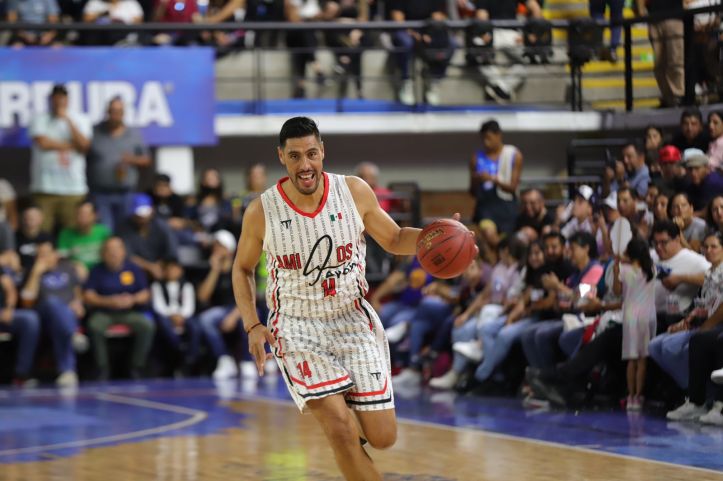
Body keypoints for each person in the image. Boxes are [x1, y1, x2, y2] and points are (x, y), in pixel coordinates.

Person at [231, 117, 474, 480]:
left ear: (322, 151)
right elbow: (241, 268)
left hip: (352, 320)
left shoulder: (353, 191)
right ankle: (336, 414)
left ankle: (340, 406)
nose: (305, 165)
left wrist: (434, 236)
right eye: (294, 156)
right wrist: (252, 324)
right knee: (341, 430)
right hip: (297, 328)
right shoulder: (261, 211)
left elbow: (394, 239)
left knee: (383, 437)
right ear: (281, 157)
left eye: (311, 154)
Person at [664, 232, 723, 423]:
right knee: (695, 341)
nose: (709, 250)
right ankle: (696, 401)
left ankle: (719, 405)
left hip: (717, 325)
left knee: (712, 340)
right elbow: (709, 305)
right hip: (712, 323)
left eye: (714, 246)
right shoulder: (710, 273)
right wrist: (692, 317)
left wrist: (706, 326)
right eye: (706, 246)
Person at [83, 237, 155, 380]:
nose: (113, 253)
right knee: (94, 326)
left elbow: (146, 293)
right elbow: (88, 295)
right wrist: (109, 301)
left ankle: (136, 367)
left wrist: (132, 299)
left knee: (147, 326)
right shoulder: (96, 270)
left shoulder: (133, 269)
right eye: (109, 250)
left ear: (123, 252)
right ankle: (102, 368)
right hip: (104, 312)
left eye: (116, 249)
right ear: (103, 253)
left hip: (129, 312)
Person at [29, 85, 92, 233]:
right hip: (45, 187)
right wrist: (71, 145)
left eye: (62, 98)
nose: (59, 102)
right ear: (51, 100)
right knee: (41, 231)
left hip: (73, 188)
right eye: (55, 98)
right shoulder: (40, 119)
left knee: (71, 232)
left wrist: (68, 120)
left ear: (67, 100)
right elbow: (43, 143)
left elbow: (84, 145)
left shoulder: (81, 119)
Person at [20, 243, 84, 387]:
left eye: (47, 254)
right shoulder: (32, 272)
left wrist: (78, 303)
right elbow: (27, 302)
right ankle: (73, 335)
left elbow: (77, 293)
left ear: (55, 254)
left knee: (62, 318)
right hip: (44, 315)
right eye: (40, 256)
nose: (44, 258)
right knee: (53, 302)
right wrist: (36, 273)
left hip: (67, 314)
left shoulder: (67, 268)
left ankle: (68, 373)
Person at [87, 97, 151, 231]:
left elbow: (146, 159)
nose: (115, 115)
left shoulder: (133, 134)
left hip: (125, 192)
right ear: (107, 112)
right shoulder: (94, 131)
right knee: (105, 230)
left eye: (119, 112)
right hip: (100, 192)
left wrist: (131, 159)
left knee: (125, 230)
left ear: (123, 113)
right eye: (113, 111)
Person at [612, 238, 656, 411]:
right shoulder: (652, 269)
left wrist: (616, 270)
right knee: (643, 359)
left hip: (631, 317)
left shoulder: (624, 270)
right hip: (647, 316)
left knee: (632, 359)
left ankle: (630, 396)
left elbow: (617, 292)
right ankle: (639, 395)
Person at [389, 0, 453, 105]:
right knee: (406, 43)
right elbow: (398, 19)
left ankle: (434, 78)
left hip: (428, 31)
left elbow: (438, 17)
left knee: (452, 43)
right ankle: (406, 81)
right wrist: (415, 34)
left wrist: (430, 32)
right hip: (406, 31)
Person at [470, 120, 523, 234]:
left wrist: (492, 179)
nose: (486, 142)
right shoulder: (476, 158)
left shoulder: (513, 155)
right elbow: (472, 192)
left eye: (489, 138)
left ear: (498, 135)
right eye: (483, 138)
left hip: (507, 206)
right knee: (489, 233)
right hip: (486, 206)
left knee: (506, 240)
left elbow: (513, 187)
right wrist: (476, 180)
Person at [151, 259, 201, 372]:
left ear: (180, 271)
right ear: (164, 271)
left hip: (183, 316)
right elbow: (158, 305)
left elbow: (189, 306)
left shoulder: (187, 285)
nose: (171, 272)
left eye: (174, 269)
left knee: (195, 327)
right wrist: (171, 315)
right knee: (164, 325)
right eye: (168, 269)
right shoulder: (157, 286)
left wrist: (181, 316)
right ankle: (178, 349)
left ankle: (191, 358)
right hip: (166, 316)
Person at [117, 193, 179, 280]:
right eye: (138, 214)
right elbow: (127, 255)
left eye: (144, 213)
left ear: (152, 211)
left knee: (174, 271)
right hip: (134, 270)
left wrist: (159, 266)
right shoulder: (124, 228)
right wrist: (150, 267)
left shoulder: (162, 226)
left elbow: (171, 252)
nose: (141, 217)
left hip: (161, 268)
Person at [0, 261, 41, 387]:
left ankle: (21, 374)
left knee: (29, 319)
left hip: (2, 314)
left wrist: (9, 308)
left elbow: (10, 288)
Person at [636, 0, 683, 108]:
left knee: (676, 60)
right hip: (654, 19)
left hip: (674, 16)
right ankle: (668, 97)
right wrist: (641, 9)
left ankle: (678, 96)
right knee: (659, 64)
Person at [57, 200, 111, 274]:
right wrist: (75, 264)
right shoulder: (66, 234)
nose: (82, 217)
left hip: (100, 271)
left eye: (86, 214)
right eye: (79, 214)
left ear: (95, 216)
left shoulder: (103, 232)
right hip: (76, 272)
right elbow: (62, 259)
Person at [16, 205, 54, 273]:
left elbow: (51, 259)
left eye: (34, 216)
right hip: (19, 272)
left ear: (41, 218)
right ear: (22, 218)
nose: (30, 219)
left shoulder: (47, 237)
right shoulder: (15, 236)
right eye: (28, 216)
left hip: (41, 271)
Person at [683, 150, 723, 214]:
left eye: (697, 168)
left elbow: (708, 210)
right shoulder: (693, 183)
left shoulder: (713, 182)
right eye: (690, 169)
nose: (693, 173)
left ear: (707, 168)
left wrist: (688, 216)